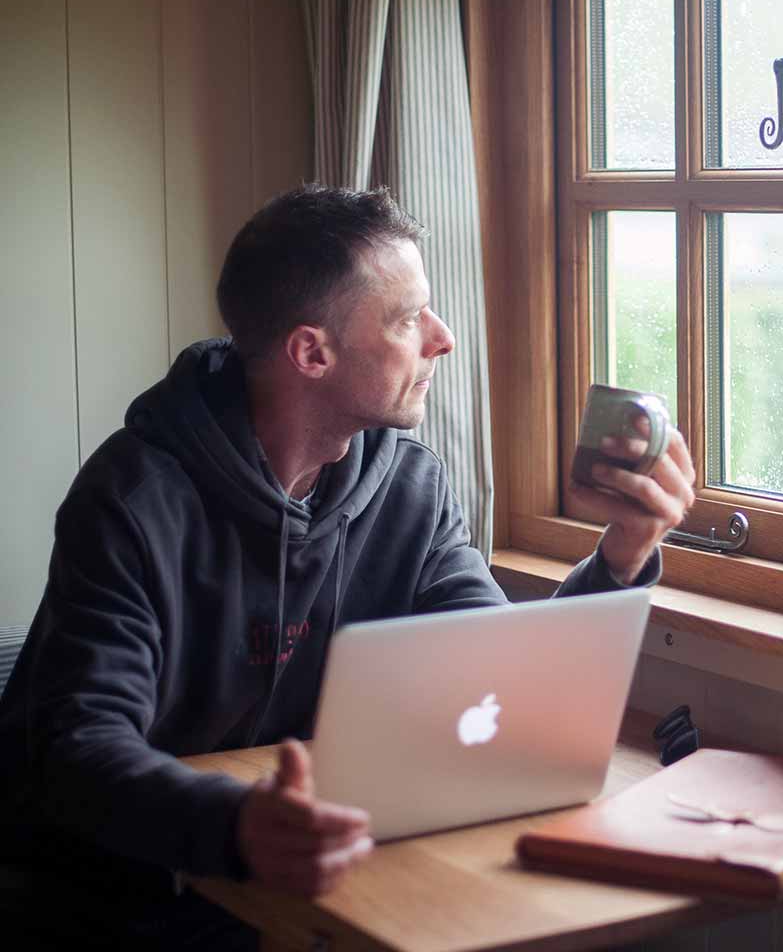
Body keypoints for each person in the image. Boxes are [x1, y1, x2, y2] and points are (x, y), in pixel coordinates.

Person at [0, 185, 695, 948]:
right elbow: (79, 748)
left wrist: (623, 552)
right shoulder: (131, 500)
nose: (443, 338)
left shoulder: (409, 486)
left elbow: (501, 677)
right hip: (112, 901)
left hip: (317, 879)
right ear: (311, 352)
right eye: (407, 319)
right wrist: (236, 824)